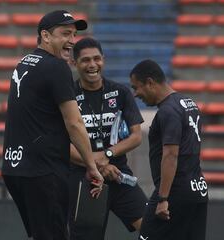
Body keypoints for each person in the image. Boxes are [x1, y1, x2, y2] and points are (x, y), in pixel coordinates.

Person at [1, 10, 103, 240]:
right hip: (43, 171)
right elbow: (74, 122)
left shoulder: (24, 63)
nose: (71, 41)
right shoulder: (57, 67)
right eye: (65, 34)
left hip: (15, 167)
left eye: (74, 34)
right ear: (45, 36)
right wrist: (91, 165)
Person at [68, 37, 148, 240]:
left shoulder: (120, 92)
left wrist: (107, 154)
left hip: (119, 176)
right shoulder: (67, 96)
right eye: (85, 60)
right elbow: (61, 145)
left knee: (154, 230)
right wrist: (96, 165)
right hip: (85, 180)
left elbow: (136, 136)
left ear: (104, 59)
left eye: (97, 58)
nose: (92, 65)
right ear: (74, 63)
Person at [129, 59, 208, 240]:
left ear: (150, 82)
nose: (135, 94)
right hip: (198, 190)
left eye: (136, 87)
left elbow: (171, 154)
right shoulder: (188, 103)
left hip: (174, 193)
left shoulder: (168, 111)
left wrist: (163, 199)